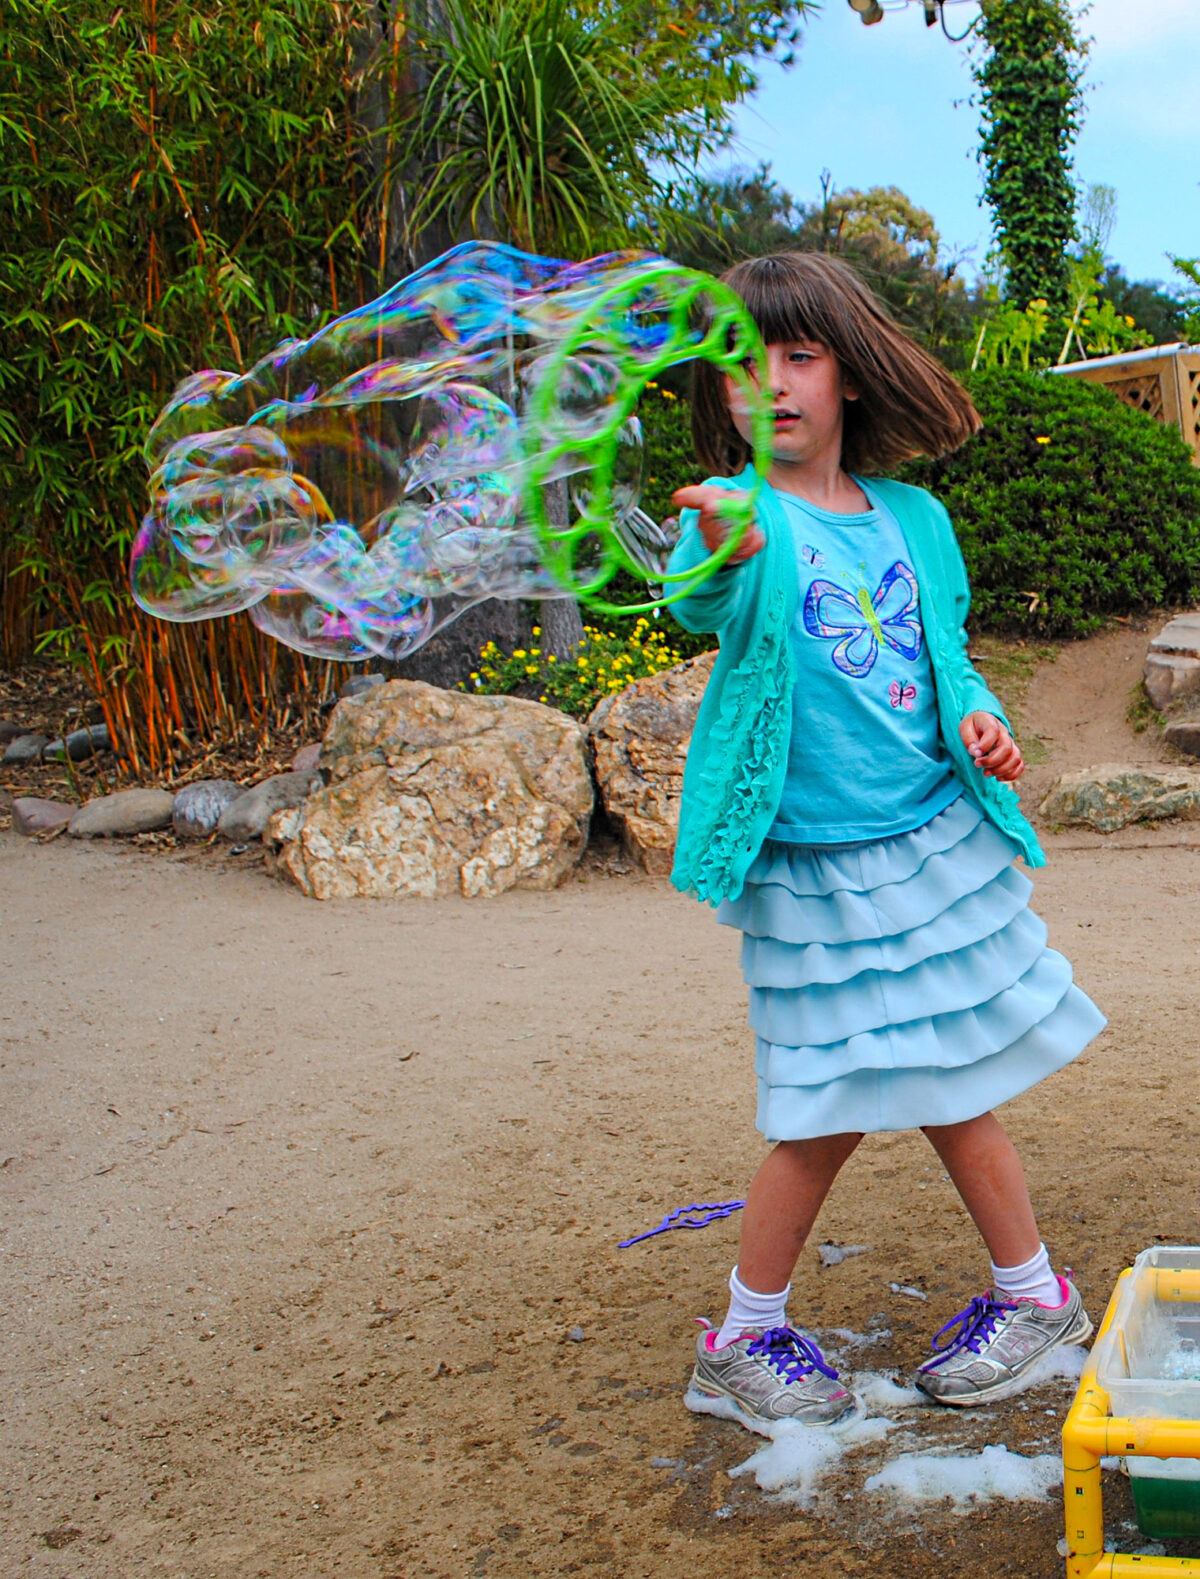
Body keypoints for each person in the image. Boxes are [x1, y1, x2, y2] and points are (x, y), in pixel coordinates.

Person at [666, 252, 1106, 1434]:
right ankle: (749, 1335)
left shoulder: (914, 518)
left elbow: (949, 653)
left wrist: (984, 719)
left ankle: (1030, 1300)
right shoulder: (736, 515)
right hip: (810, 867)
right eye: (745, 366)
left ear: (848, 372)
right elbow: (695, 601)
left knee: (953, 1081)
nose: (774, 383)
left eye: (798, 354)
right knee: (822, 1104)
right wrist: (720, 548)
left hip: (925, 843)